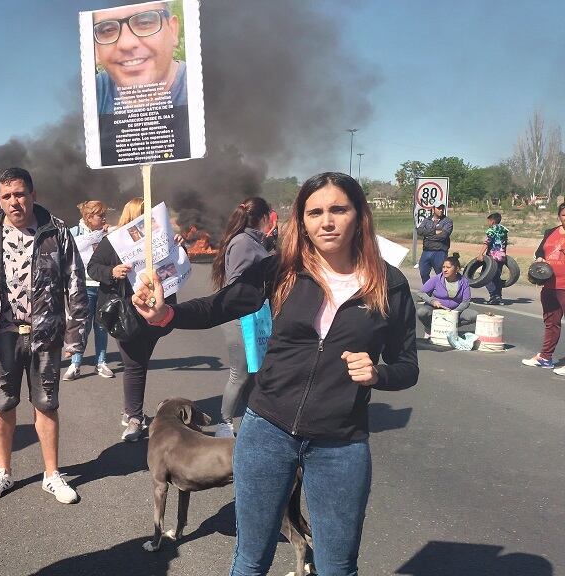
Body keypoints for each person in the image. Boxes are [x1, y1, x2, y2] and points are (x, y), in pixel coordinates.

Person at [133, 172, 418, 575]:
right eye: (315, 212)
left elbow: (407, 365)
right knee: (251, 559)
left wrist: (378, 374)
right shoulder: (281, 269)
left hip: (340, 445)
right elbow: (221, 305)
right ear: (301, 221)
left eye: (339, 209)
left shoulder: (389, 283)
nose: (327, 221)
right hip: (266, 432)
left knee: (338, 566)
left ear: (359, 216)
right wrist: (168, 314)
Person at [0, 167, 88, 504]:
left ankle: (52, 475)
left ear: (32, 194)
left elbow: (76, 286)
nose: (15, 202)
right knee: (3, 405)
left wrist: (75, 339)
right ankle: (2, 472)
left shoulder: (56, 232)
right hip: (1, 336)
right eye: (7, 196)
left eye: (20, 194)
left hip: (46, 334)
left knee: (46, 404)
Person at [87, 198, 176, 442]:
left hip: (155, 311)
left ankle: (132, 410)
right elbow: (93, 268)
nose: (150, 220)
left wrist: (178, 248)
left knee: (140, 362)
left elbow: (173, 266)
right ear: (133, 217)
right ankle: (135, 417)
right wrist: (112, 272)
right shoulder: (113, 242)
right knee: (134, 364)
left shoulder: (159, 239)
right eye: (144, 215)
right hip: (125, 313)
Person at [210, 196, 273, 438]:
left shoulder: (252, 241)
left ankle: (251, 422)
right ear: (264, 217)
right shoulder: (242, 243)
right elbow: (237, 282)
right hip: (240, 319)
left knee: (254, 374)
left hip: (253, 317)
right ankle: (224, 425)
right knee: (240, 374)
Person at [93, 2, 186, 116]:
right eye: (108, 30)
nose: (126, 44)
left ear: (172, 31)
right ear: (96, 48)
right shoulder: (91, 94)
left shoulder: (204, 86)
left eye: (144, 22)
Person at [65, 200, 114, 380]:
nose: (104, 218)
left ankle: (101, 363)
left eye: (104, 215)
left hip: (103, 286)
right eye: (100, 215)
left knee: (101, 326)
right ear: (88, 216)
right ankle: (75, 364)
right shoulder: (74, 233)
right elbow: (68, 254)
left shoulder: (108, 233)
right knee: (81, 327)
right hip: (82, 288)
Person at [523, 202, 565, 372]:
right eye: (564, 214)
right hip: (549, 284)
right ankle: (545, 357)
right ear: (559, 216)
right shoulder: (551, 232)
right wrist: (540, 258)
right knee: (551, 322)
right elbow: (541, 251)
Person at [416, 253, 478, 337]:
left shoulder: (464, 282)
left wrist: (455, 312)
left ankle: (450, 327)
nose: (445, 270)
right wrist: (432, 301)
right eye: (443, 267)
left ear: (457, 269)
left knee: (474, 316)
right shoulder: (436, 279)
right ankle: (429, 328)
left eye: (448, 268)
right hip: (436, 310)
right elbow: (421, 292)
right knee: (422, 312)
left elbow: (466, 301)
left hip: (454, 311)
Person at [476, 212, 509, 305]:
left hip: (492, 257)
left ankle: (493, 295)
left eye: (489, 221)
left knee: (484, 276)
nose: (488, 223)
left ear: (492, 221)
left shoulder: (491, 230)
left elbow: (487, 242)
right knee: (496, 277)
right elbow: (505, 243)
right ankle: (499, 297)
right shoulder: (504, 230)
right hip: (501, 257)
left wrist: (480, 254)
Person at [415, 202, 453, 283]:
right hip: (427, 251)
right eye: (439, 208)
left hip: (440, 251)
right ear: (433, 209)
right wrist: (434, 232)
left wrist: (428, 235)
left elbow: (444, 235)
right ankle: (429, 291)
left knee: (441, 274)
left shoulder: (447, 221)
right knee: (423, 272)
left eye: (442, 208)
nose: (441, 210)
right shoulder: (427, 220)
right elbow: (419, 231)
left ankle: (442, 291)